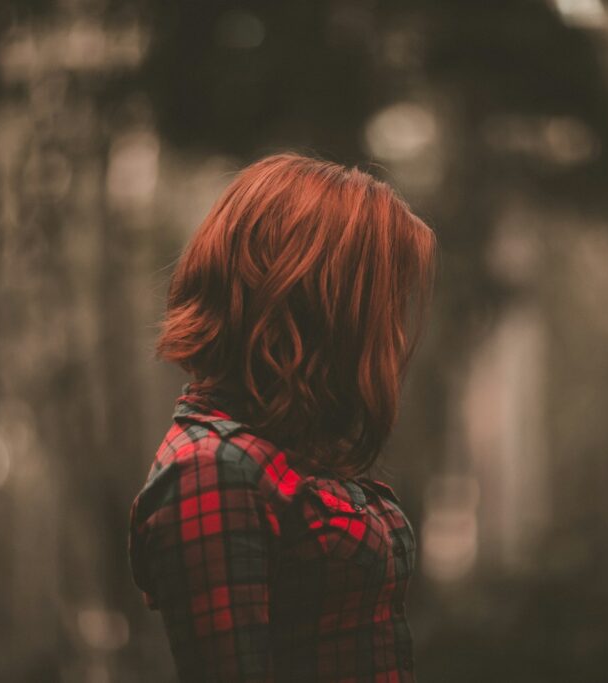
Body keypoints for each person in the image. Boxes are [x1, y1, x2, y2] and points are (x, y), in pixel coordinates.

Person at [128, 152, 437, 682]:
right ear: (318, 303)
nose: (393, 333)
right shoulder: (212, 470)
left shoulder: (291, 449)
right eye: (378, 305)